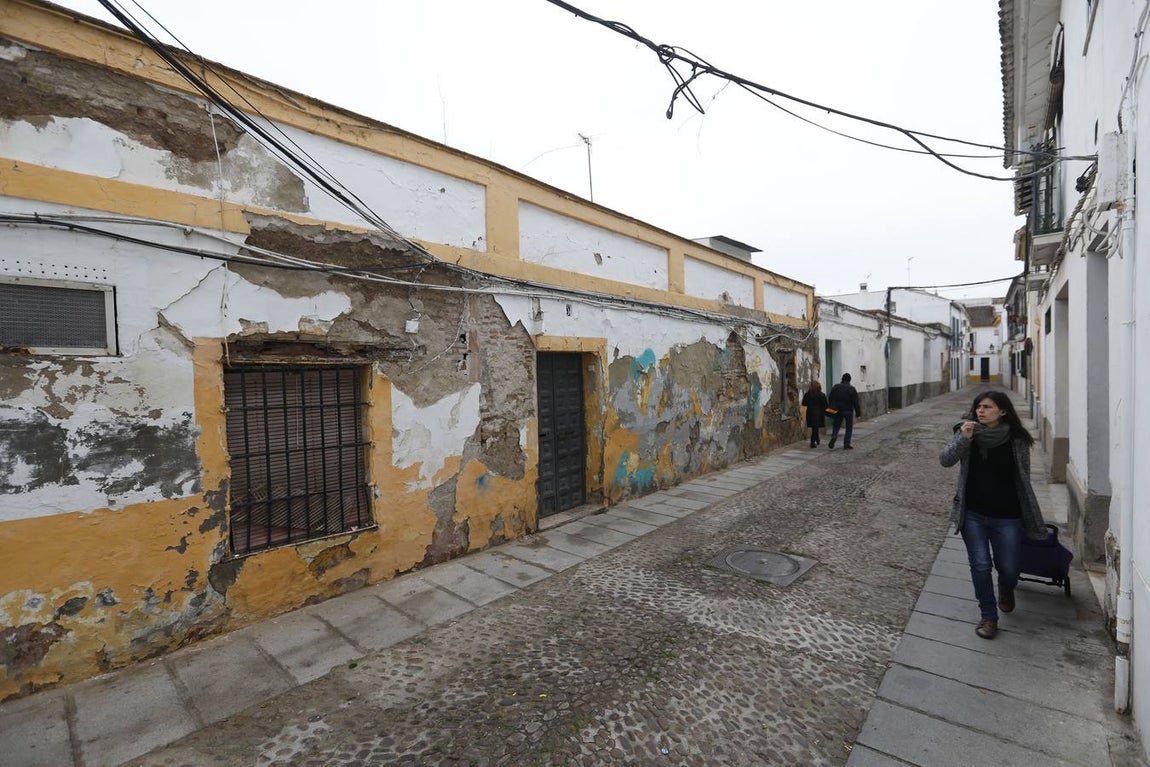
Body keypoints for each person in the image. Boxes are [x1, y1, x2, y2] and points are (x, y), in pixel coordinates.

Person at [939, 390, 1046, 640]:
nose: (980, 411)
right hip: (973, 513)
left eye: (987, 407)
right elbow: (945, 460)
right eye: (978, 406)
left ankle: (1006, 588)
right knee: (980, 565)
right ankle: (989, 616)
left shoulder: (1017, 440)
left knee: (1008, 568)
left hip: (1007, 515)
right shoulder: (967, 433)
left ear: (1003, 411)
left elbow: (1024, 479)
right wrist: (963, 439)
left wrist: (1027, 512)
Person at [827, 373, 861, 449]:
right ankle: (846, 443)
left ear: (842, 379)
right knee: (849, 427)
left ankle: (834, 437)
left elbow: (830, 398)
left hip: (837, 410)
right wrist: (858, 413)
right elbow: (856, 402)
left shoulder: (836, 387)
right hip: (848, 410)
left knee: (836, 425)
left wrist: (831, 407)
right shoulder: (852, 389)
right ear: (849, 380)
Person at [800, 381, 828, 448]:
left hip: (810, 413)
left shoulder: (807, 395)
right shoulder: (822, 395)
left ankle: (817, 439)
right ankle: (812, 442)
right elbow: (825, 405)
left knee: (814, 427)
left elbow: (804, 403)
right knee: (816, 427)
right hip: (819, 413)